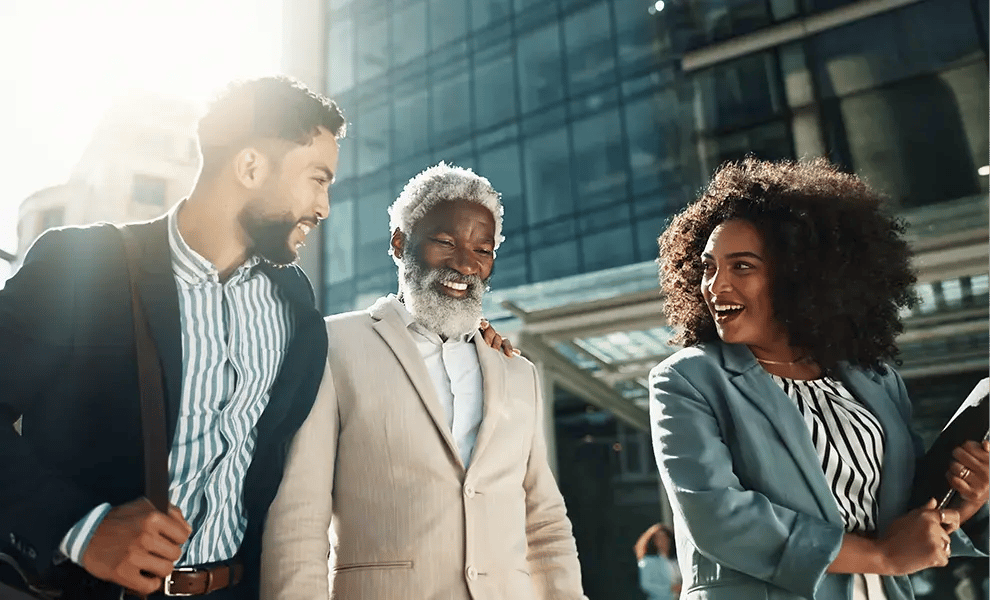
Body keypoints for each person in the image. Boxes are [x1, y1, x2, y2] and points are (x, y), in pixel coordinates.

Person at [0, 76, 346, 599]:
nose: (323, 207)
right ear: (251, 167)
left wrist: (475, 341)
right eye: (317, 179)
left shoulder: (294, 305)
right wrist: (80, 528)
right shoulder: (82, 266)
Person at [649, 157, 989, 600]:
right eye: (709, 266)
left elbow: (896, 515)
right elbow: (720, 518)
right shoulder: (687, 380)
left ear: (800, 274)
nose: (715, 285)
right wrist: (881, 556)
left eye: (742, 266)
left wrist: (959, 505)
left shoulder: (875, 378)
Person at [260, 163, 585, 600]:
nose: (465, 264)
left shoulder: (517, 371)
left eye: (483, 250)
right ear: (399, 244)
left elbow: (544, 521)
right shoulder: (334, 345)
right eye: (445, 242)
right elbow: (300, 514)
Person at [633, 523, 681, 600]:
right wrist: (670, 588)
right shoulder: (648, 561)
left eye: (665, 538)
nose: (663, 541)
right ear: (653, 541)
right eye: (659, 538)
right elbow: (646, 585)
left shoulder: (676, 560)